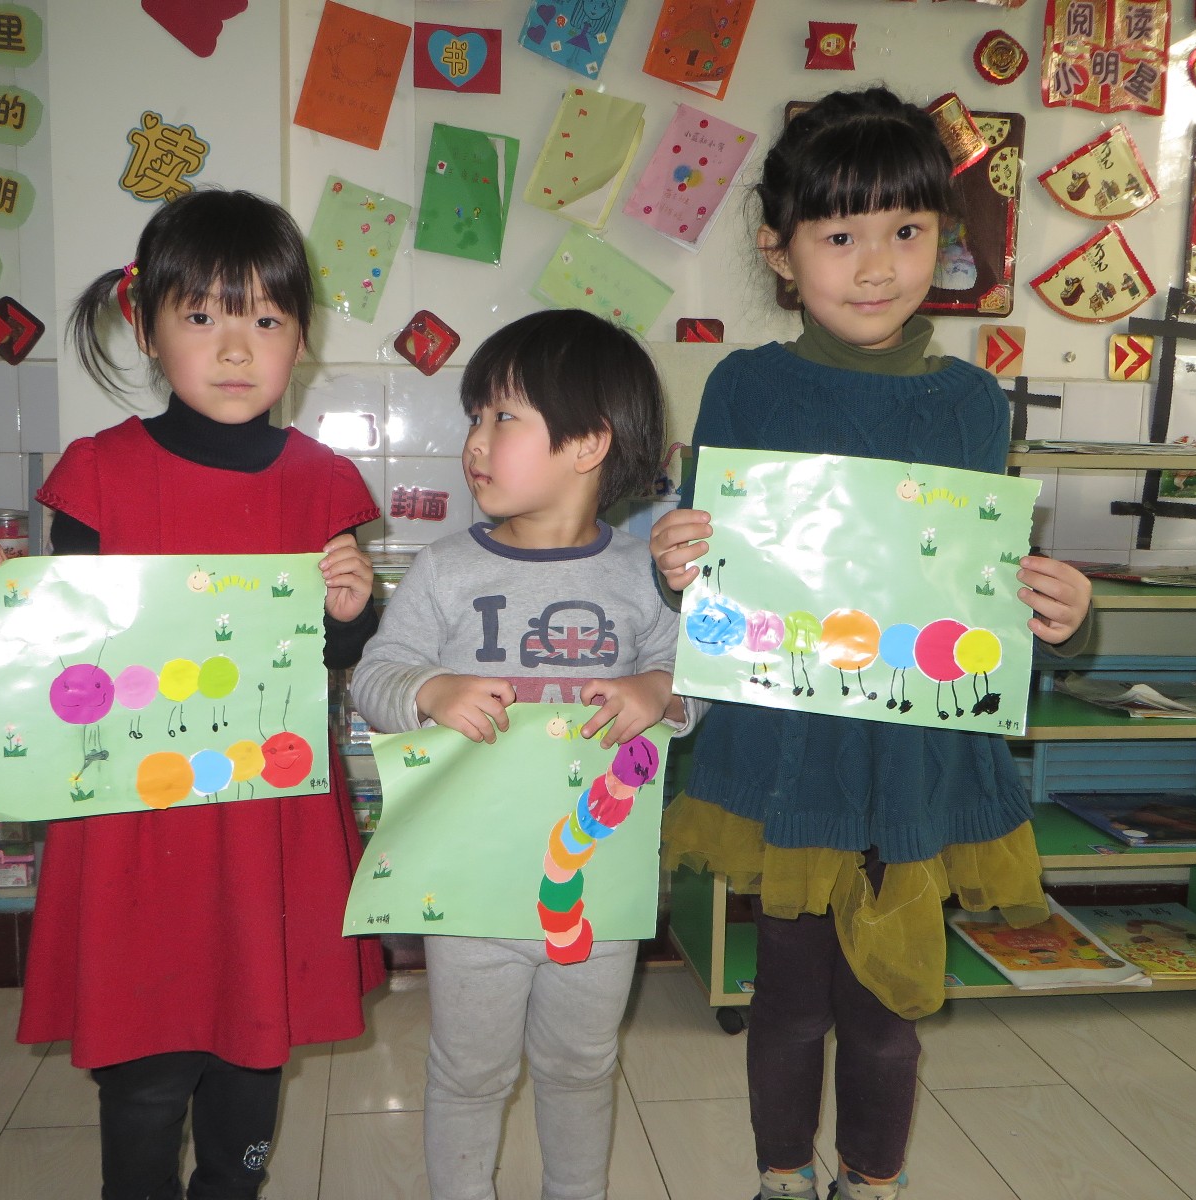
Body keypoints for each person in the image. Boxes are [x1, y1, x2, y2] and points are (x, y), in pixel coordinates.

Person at [648, 88, 1095, 1200]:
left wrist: (1059, 615)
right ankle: (780, 1178)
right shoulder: (746, 387)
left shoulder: (971, 403)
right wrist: (678, 562)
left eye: (907, 229)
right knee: (789, 1002)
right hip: (789, 756)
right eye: (840, 236)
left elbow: (980, 592)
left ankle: (872, 1181)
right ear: (780, 250)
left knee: (890, 1007)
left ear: (944, 239)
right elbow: (712, 590)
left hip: (915, 760)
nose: (879, 264)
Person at [0, 188, 385, 1200]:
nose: (234, 347)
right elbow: (68, 664)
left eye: (265, 319)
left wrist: (354, 609)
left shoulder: (322, 483)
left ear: (300, 340)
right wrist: (0, 607)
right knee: (143, 1071)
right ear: (146, 329)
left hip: (268, 817)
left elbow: (333, 648)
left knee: (252, 1055)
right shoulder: (99, 473)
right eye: (201, 315)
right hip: (134, 825)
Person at [349, 310, 701, 1200]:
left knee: (582, 1065)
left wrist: (656, 692)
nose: (475, 440)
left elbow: (696, 683)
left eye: (503, 417)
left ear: (588, 443)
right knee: (469, 1071)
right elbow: (375, 679)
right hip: (470, 883)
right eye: (476, 416)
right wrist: (431, 690)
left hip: (599, 881)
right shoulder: (444, 570)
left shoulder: (642, 576)